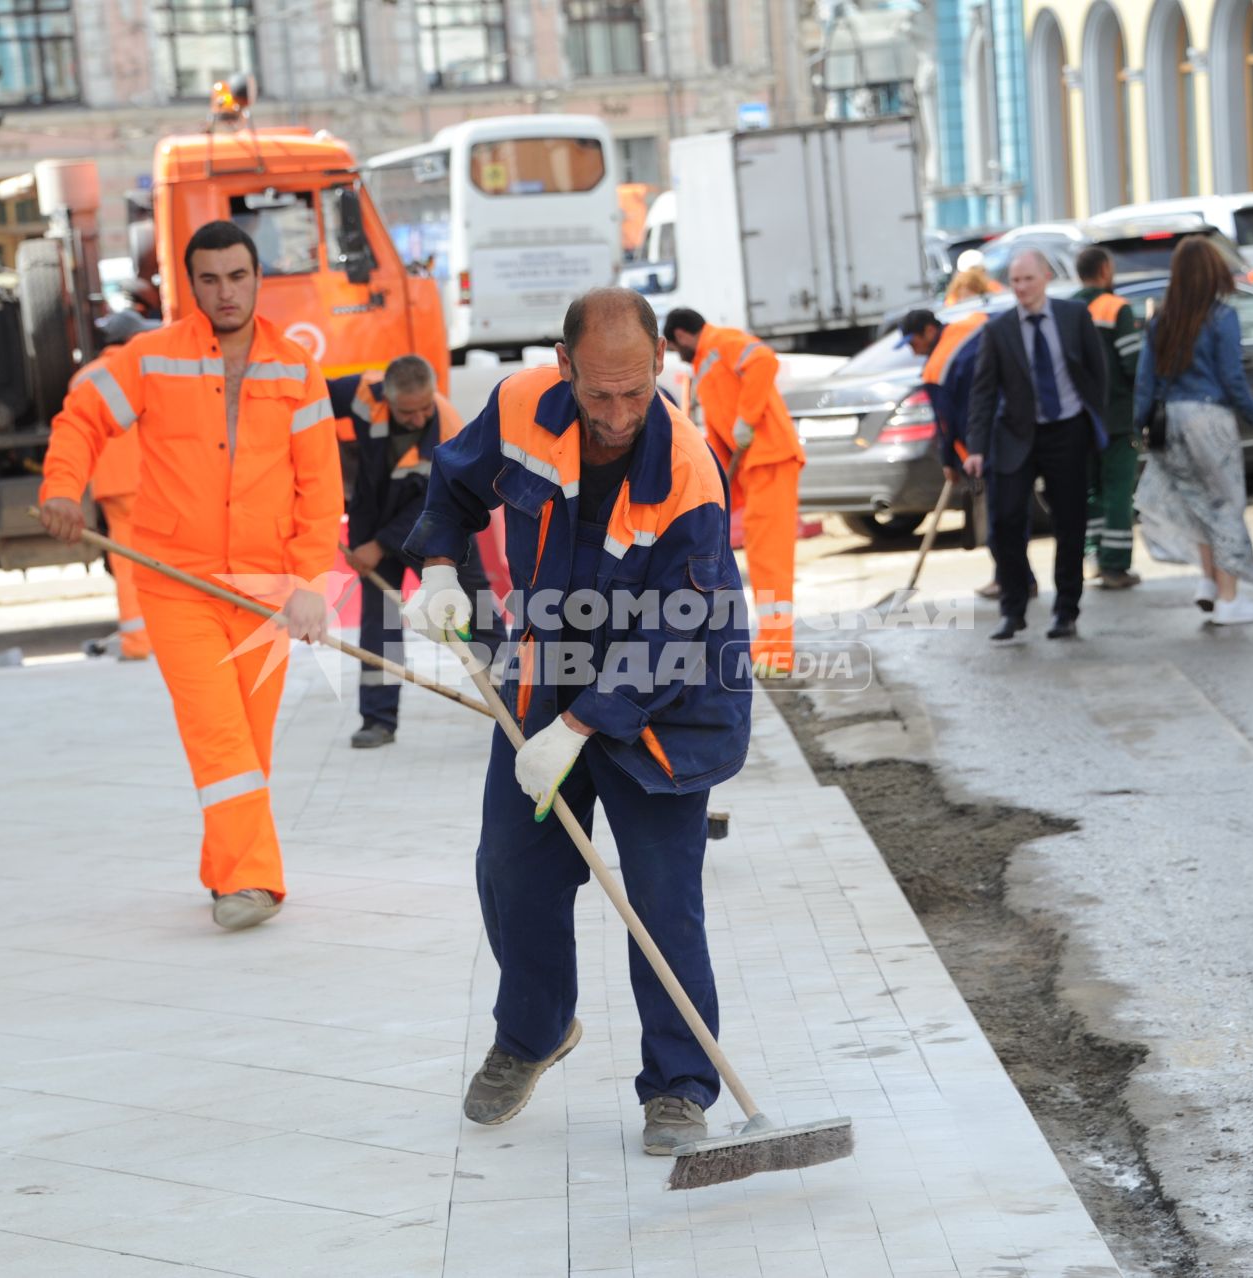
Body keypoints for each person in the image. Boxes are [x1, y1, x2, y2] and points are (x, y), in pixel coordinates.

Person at [401, 288, 751, 1157]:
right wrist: (440, 571)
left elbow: (676, 631)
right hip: (545, 673)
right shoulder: (522, 406)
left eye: (637, 391)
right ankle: (533, 1033)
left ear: (660, 368)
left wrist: (582, 730)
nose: (621, 413)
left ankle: (679, 1085)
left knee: (663, 903)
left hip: (667, 700)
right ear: (564, 368)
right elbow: (452, 488)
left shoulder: (689, 476)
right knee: (513, 874)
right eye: (600, 394)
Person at [38, 220, 342, 932]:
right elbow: (82, 417)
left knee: (249, 741)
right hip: (178, 583)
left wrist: (307, 584)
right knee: (218, 734)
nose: (225, 292)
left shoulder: (296, 368)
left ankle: (225, 869)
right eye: (209, 279)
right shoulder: (152, 359)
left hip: (264, 587)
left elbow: (320, 486)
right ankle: (254, 882)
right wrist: (62, 484)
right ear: (190, 283)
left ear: (257, 277)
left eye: (237, 276)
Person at [329, 355, 502, 749]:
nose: (419, 416)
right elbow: (305, 401)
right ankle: (378, 720)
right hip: (372, 522)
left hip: (438, 526)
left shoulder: (448, 426)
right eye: (408, 411)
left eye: (426, 405)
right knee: (381, 623)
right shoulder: (361, 394)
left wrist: (378, 545)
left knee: (478, 610)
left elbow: (435, 500)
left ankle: (513, 705)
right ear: (388, 399)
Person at [965, 249, 1109, 642]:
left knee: (1070, 522)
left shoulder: (1073, 317)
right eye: (1015, 281)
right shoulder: (999, 330)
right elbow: (982, 392)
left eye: (1028, 279)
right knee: (1006, 521)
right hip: (1016, 434)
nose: (1021, 288)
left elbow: (1097, 372)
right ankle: (1013, 609)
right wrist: (975, 447)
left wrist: (1097, 424)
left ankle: (1066, 611)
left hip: (1067, 431)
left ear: (1045, 277)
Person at [1132, 238, 1253, 626]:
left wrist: (1139, 426)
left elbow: (1145, 382)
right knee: (1225, 505)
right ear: (1212, 273)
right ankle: (1230, 599)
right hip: (1208, 419)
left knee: (1197, 504)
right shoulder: (1222, 317)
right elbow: (1232, 377)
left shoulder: (1162, 319)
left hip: (1170, 421)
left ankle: (1209, 584)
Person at [661, 307, 805, 675]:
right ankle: (770, 645)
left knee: (770, 558)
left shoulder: (720, 342)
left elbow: (763, 360)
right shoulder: (710, 360)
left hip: (770, 460)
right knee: (760, 557)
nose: (680, 355)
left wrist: (747, 418)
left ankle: (777, 652)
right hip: (758, 466)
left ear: (681, 334)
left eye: (676, 348)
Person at [901, 306, 1030, 594]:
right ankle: (1017, 577)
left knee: (997, 517)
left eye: (913, 342)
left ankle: (1013, 580)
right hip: (1018, 429)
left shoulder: (936, 367)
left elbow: (946, 422)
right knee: (1010, 514)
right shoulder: (977, 322)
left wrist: (949, 460)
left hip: (984, 446)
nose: (912, 350)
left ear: (930, 331)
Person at [77, 311, 155, 662]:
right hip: (148, 480)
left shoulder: (81, 379)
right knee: (167, 561)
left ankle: (137, 642)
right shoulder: (140, 369)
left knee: (126, 564)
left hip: (109, 484)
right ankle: (165, 639)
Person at [1074, 247, 1146, 589]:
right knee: (1118, 491)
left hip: (1079, 420)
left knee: (1092, 492)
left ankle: (1093, 556)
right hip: (1116, 418)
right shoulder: (1116, 308)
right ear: (1104, 270)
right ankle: (1115, 565)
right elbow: (1133, 365)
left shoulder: (1068, 308)